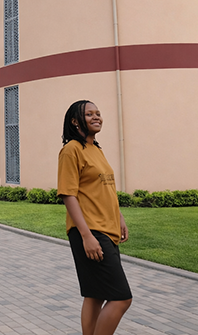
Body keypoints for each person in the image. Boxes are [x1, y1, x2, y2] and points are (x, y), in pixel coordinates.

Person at [57, 100, 132, 335]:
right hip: (90, 231)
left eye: (98, 113)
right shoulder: (71, 150)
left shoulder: (96, 149)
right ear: (75, 121)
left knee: (95, 294)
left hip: (107, 230)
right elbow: (68, 195)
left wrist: (119, 216)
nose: (96, 117)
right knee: (121, 298)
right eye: (89, 114)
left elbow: (103, 189)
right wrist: (86, 236)